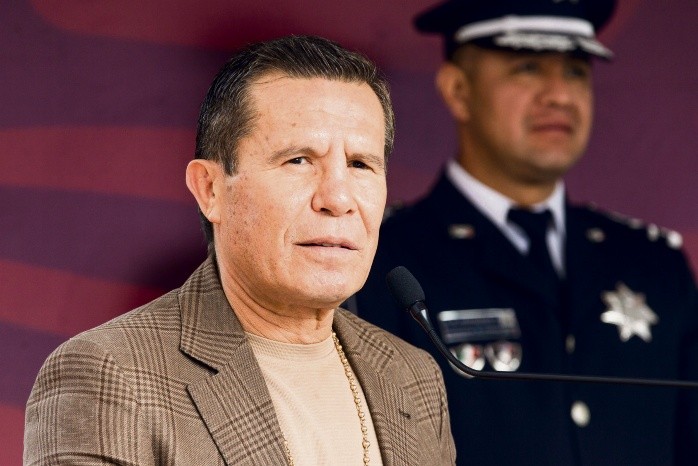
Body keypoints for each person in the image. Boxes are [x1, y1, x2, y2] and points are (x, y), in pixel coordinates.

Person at [24, 35, 456, 466]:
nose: (338, 199)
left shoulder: (413, 376)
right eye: (299, 160)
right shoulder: (110, 373)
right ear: (210, 190)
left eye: (361, 164)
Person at [354, 1, 698, 465]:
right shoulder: (384, 260)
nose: (560, 95)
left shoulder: (654, 264)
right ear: (458, 90)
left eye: (576, 71)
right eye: (528, 68)